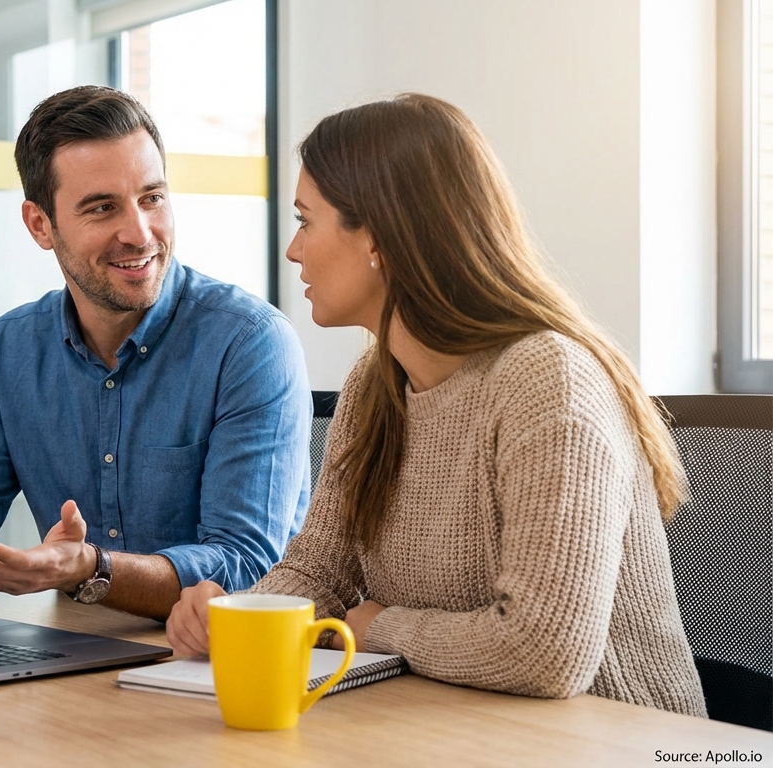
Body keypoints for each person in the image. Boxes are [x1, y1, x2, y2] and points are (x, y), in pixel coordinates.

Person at [165, 93, 707, 717]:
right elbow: (320, 575)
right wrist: (233, 616)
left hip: (616, 737)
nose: (294, 251)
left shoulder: (548, 381)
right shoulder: (375, 383)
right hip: (455, 722)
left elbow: (545, 651)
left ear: (378, 237)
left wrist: (378, 628)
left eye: (306, 221)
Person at [0, 86, 311, 620]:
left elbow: (247, 565)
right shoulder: (8, 350)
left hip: (211, 664)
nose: (140, 232)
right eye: (102, 208)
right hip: (73, 656)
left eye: (152, 198)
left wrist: (90, 568)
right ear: (40, 225)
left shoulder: (248, 342)